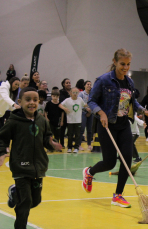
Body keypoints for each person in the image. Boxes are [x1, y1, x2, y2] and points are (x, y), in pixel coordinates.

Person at [84, 48, 148, 208]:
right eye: (122, 64)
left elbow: (132, 102)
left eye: (128, 64)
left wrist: (144, 111)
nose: (125, 67)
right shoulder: (103, 80)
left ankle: (118, 195)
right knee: (109, 163)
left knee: (126, 160)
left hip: (124, 125)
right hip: (107, 125)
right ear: (114, 62)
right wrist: (101, 113)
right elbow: (91, 101)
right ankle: (89, 172)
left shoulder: (129, 82)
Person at [3, 87, 62, 229]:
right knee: (25, 203)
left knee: (35, 201)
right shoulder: (14, 121)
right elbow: (1, 138)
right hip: (20, 167)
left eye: (35, 100)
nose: (32, 103)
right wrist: (1, 152)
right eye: (27, 99)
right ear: (19, 101)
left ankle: (14, 192)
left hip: (38, 167)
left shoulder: (42, 120)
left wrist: (51, 143)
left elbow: (46, 137)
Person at [59, 87, 86, 153]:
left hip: (78, 120)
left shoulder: (80, 99)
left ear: (78, 93)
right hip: (70, 120)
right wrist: (64, 109)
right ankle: (69, 147)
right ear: (70, 93)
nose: (75, 94)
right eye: (73, 92)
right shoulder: (67, 100)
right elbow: (60, 105)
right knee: (70, 134)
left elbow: (85, 105)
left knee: (77, 134)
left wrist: (91, 104)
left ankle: (76, 147)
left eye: (76, 92)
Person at [78, 80, 93, 151]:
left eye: (90, 84)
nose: (89, 86)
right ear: (84, 85)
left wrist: (90, 111)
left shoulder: (92, 94)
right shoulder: (81, 94)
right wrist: (86, 108)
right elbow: (79, 104)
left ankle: (89, 144)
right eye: (88, 84)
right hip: (83, 113)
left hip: (91, 113)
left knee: (89, 130)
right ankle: (79, 144)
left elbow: (93, 103)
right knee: (82, 129)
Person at [59, 78, 71, 148]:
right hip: (63, 113)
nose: (68, 84)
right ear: (63, 84)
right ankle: (62, 144)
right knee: (62, 129)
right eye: (67, 83)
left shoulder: (72, 91)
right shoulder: (61, 92)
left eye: (69, 82)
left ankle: (70, 145)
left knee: (71, 130)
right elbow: (62, 102)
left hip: (71, 113)